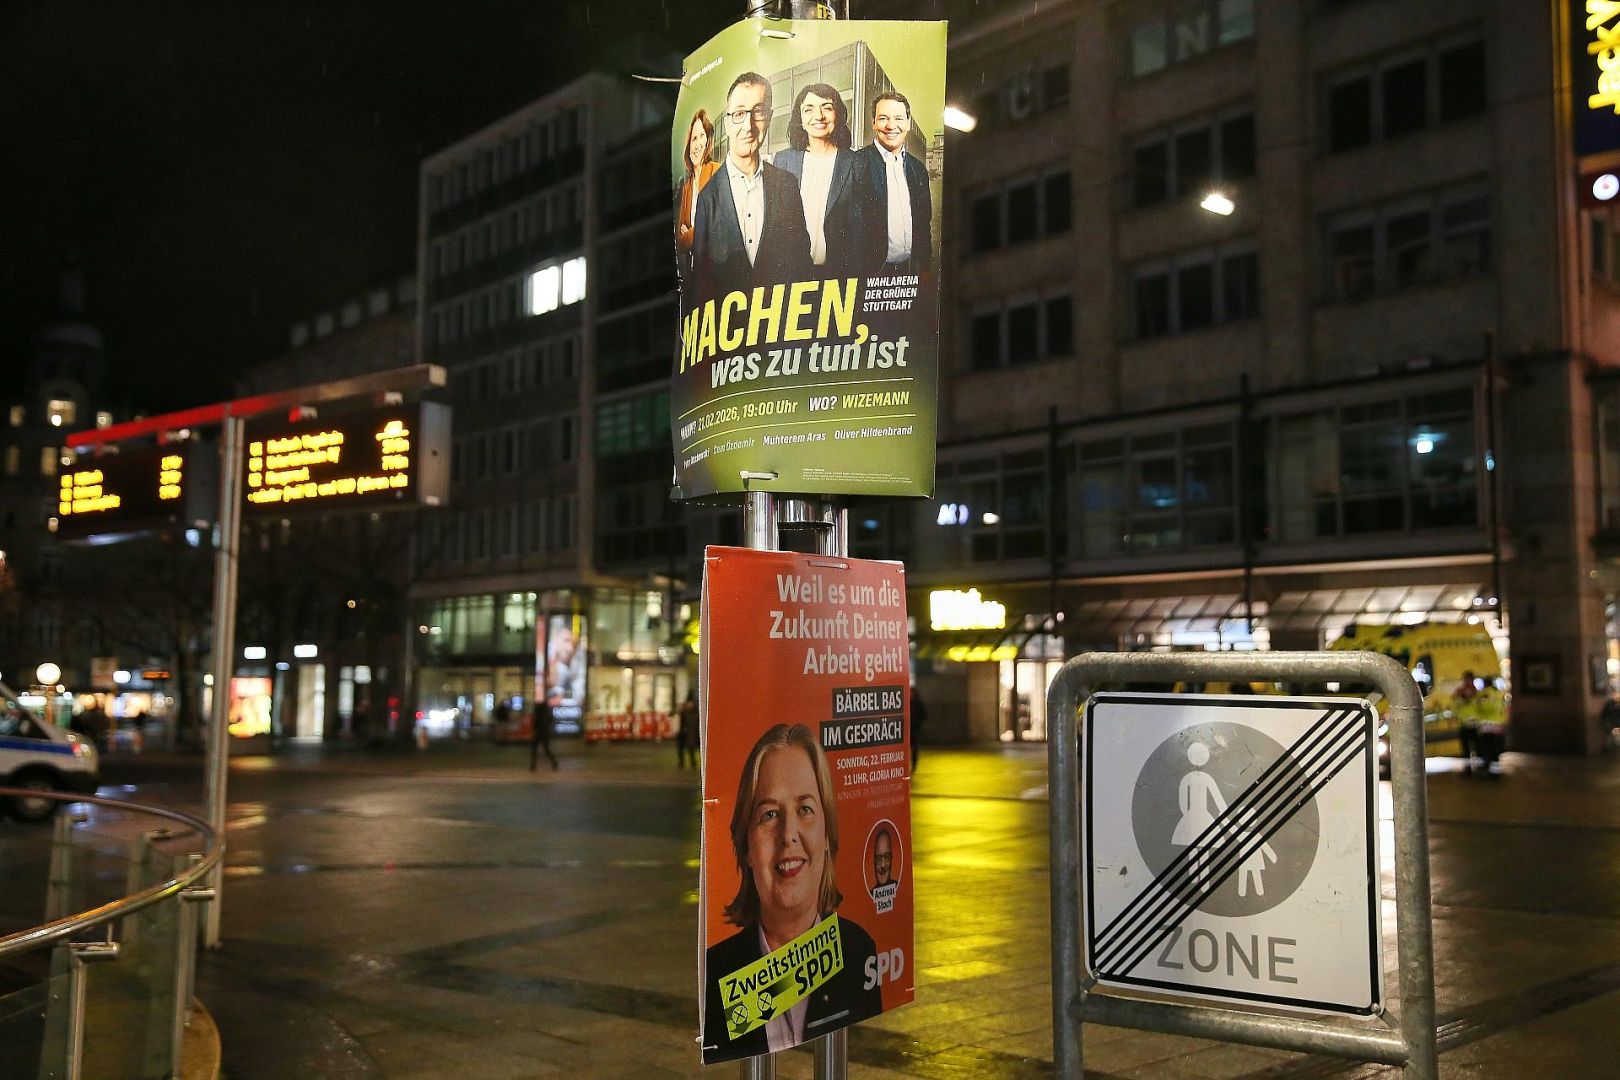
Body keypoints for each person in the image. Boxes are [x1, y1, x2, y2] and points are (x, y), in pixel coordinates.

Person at [702, 724, 882, 1059]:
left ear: (827, 835)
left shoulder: (859, 952)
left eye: (805, 809)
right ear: (746, 849)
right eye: (769, 815)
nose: (789, 835)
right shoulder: (717, 974)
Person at [691, 72, 813, 298]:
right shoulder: (708, 198)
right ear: (727, 124)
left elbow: (802, 265)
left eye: (758, 112)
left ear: (769, 117)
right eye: (739, 114)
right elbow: (700, 283)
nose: (748, 126)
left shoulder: (787, 185)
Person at [771, 83, 859, 277]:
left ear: (838, 115)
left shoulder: (855, 163)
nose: (818, 116)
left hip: (839, 275)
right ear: (800, 119)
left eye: (827, 107)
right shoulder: (783, 160)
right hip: (791, 274)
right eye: (808, 109)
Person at [852, 91, 933, 277]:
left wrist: (926, 270)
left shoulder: (918, 169)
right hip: (870, 273)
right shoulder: (855, 164)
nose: (891, 126)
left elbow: (923, 224)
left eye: (898, 118)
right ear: (873, 123)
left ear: (908, 123)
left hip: (910, 271)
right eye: (883, 118)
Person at [674, 109, 721, 279]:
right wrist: (699, 231)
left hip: (717, 273)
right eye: (694, 138)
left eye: (703, 136)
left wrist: (691, 233)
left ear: (708, 141)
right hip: (695, 274)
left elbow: (716, 226)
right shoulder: (687, 187)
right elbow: (679, 243)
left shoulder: (717, 171)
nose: (698, 144)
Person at [530, 696, 558, 772]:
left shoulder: (538, 713)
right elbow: (550, 722)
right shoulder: (547, 713)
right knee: (546, 749)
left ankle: (533, 765)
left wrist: (534, 730)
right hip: (545, 733)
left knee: (534, 749)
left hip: (538, 733)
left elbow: (535, 724)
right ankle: (554, 762)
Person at [677, 691, 700, 769]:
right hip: (684, 732)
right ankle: (681, 762)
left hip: (693, 733)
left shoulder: (696, 712)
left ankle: (693, 762)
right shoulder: (683, 712)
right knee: (681, 748)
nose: (690, 705)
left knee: (691, 748)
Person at [909, 686, 927, 769]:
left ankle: (914, 764)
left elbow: (924, 714)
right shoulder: (907, 702)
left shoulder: (918, 703)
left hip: (914, 728)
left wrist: (918, 723)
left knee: (914, 747)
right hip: (907, 729)